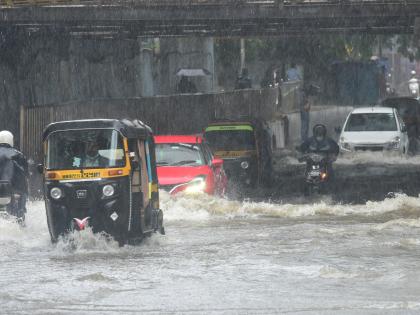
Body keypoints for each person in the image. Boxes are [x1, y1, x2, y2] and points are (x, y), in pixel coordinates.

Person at [0, 130, 28, 221]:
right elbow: (26, 174)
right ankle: (20, 214)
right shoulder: (18, 154)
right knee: (19, 212)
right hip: (14, 189)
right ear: (11, 140)